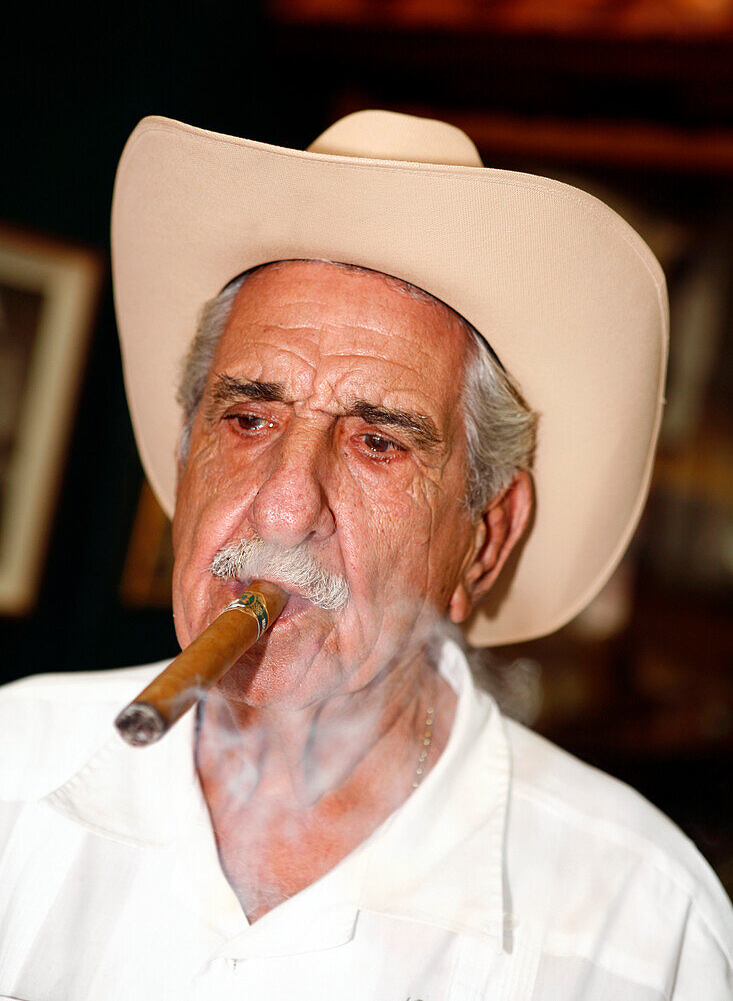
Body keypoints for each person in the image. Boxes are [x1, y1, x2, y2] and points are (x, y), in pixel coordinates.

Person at [0, 110, 731, 999]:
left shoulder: (641, 928)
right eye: (248, 418)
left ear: (484, 541)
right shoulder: (16, 770)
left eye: (377, 441)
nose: (283, 501)